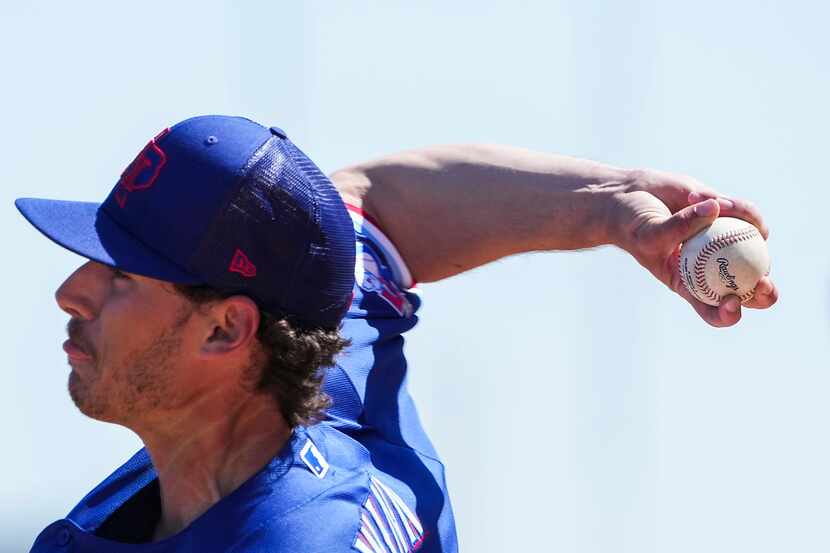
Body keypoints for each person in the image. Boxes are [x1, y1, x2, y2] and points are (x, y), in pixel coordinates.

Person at [16, 115, 778, 553]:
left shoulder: (304, 539)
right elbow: (373, 204)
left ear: (225, 328)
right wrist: (614, 207)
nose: (71, 290)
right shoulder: (319, 342)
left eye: (122, 276)